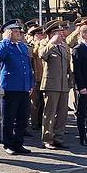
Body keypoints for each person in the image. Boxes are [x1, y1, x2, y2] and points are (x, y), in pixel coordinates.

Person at [0, 21, 35, 155]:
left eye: (19, 31)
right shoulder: (0, 45)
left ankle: (18, 143)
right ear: (8, 32)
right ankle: (8, 144)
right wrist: (5, 40)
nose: (19, 34)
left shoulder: (22, 46)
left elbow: (28, 67)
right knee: (8, 118)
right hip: (10, 87)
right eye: (15, 31)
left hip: (23, 87)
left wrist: (31, 83)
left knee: (22, 118)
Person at [38, 20, 71, 150]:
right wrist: (51, 43)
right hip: (51, 84)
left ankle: (58, 138)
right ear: (52, 33)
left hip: (63, 84)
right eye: (58, 32)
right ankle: (47, 139)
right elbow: (42, 55)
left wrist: (71, 81)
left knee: (62, 114)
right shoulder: (44, 43)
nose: (62, 34)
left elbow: (68, 66)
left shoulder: (63, 46)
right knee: (50, 113)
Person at [27, 25, 46, 135]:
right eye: (40, 34)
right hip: (35, 77)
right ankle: (34, 123)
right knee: (35, 102)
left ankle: (40, 122)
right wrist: (38, 43)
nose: (42, 36)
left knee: (43, 102)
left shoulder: (43, 44)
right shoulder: (31, 45)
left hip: (43, 76)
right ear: (35, 36)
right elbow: (34, 54)